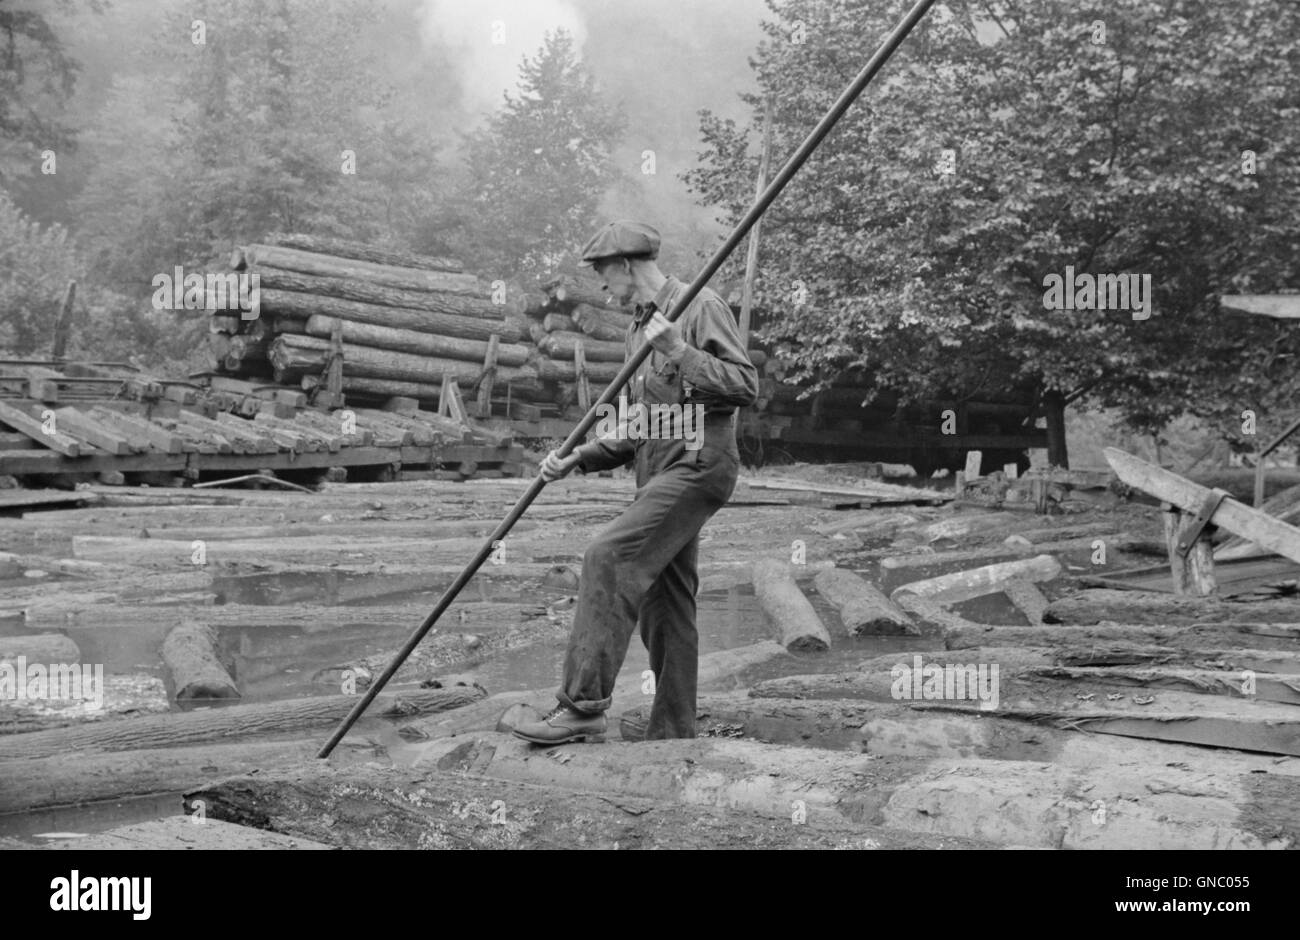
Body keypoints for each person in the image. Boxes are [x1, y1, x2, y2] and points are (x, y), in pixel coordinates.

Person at [512, 220, 759, 744]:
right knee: (665, 604)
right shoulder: (637, 330)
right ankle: (673, 732)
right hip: (657, 469)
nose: (602, 286)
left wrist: (679, 351)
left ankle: (582, 707)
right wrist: (578, 455)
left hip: (699, 463)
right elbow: (643, 424)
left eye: (603, 273)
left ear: (626, 264)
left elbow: (744, 385)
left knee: (609, 556)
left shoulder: (699, 305)